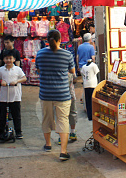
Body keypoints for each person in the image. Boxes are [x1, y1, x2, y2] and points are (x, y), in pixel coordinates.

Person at [35, 29, 75, 161]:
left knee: (46, 118)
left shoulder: (40, 54)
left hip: (46, 93)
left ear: (47, 40)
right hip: (62, 94)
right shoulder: (67, 54)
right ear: (60, 39)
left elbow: (39, 70)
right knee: (63, 120)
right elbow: (72, 71)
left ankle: (48, 144)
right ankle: (63, 151)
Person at [0, 51, 26, 140]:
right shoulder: (1, 69)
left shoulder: (17, 69)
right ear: (3, 59)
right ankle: (1, 132)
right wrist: (1, 82)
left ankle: (18, 132)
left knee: (16, 115)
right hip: (4, 96)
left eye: (10, 58)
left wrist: (16, 81)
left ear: (14, 59)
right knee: (2, 115)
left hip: (15, 96)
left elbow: (24, 78)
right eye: (6, 58)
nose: (8, 60)